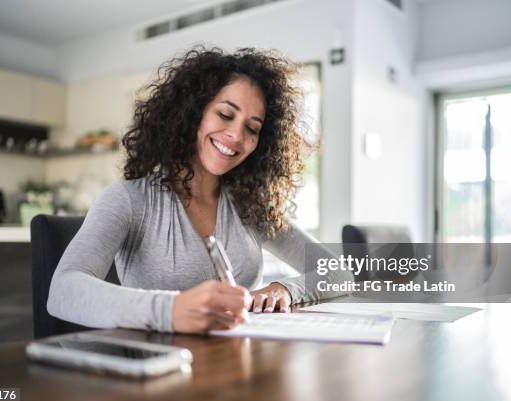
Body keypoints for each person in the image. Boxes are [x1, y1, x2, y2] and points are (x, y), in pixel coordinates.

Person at [47, 46, 340, 334]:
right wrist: (170, 310)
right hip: (158, 370)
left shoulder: (251, 206)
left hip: (237, 366)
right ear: (192, 113)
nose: (236, 135)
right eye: (225, 114)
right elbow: (63, 291)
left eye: (252, 128)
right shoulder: (129, 200)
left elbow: (339, 273)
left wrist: (286, 289)